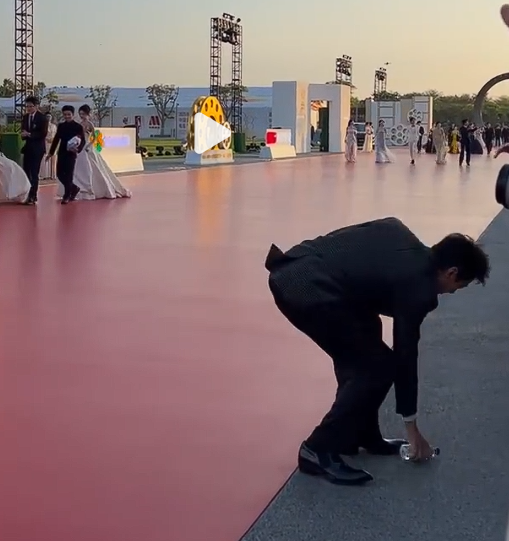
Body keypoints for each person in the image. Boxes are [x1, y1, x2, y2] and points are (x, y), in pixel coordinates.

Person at [265, 218, 490, 485]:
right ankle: (317, 449)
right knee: (376, 367)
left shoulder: (397, 230)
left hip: (301, 270)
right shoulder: (418, 286)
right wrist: (411, 427)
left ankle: (361, 433)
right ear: (452, 272)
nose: (452, 292)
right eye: (459, 286)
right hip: (305, 287)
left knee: (368, 336)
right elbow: (406, 354)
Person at [58, 104, 131, 200]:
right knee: (76, 169)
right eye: (80, 114)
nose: (82, 116)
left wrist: (88, 145)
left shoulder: (90, 124)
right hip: (79, 147)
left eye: (83, 114)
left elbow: (94, 138)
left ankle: (89, 189)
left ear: (88, 114)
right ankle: (75, 188)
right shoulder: (78, 124)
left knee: (90, 167)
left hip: (87, 147)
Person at [46, 105, 86, 204]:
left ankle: (67, 195)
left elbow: (83, 141)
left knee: (69, 175)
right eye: (65, 114)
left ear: (73, 114)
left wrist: (77, 149)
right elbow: (56, 140)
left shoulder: (78, 127)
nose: (67, 116)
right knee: (59, 174)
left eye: (69, 114)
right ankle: (74, 188)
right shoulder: (61, 126)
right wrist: (51, 153)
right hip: (62, 152)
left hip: (71, 154)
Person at [20, 96, 48, 205]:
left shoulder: (42, 118)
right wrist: (23, 134)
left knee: (34, 172)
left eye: (31, 106)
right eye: (27, 106)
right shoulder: (25, 117)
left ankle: (33, 195)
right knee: (26, 170)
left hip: (38, 148)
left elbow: (43, 133)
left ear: (36, 106)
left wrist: (30, 134)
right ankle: (27, 193)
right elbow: (23, 129)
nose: (29, 108)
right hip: (28, 148)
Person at [40, 113, 57, 180]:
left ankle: (53, 174)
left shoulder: (54, 126)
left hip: (53, 143)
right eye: (47, 116)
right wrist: (47, 139)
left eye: (50, 116)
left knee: (53, 158)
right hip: (45, 143)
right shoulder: (43, 126)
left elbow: (56, 134)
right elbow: (41, 135)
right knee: (45, 157)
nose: (48, 118)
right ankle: (44, 174)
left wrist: (53, 139)